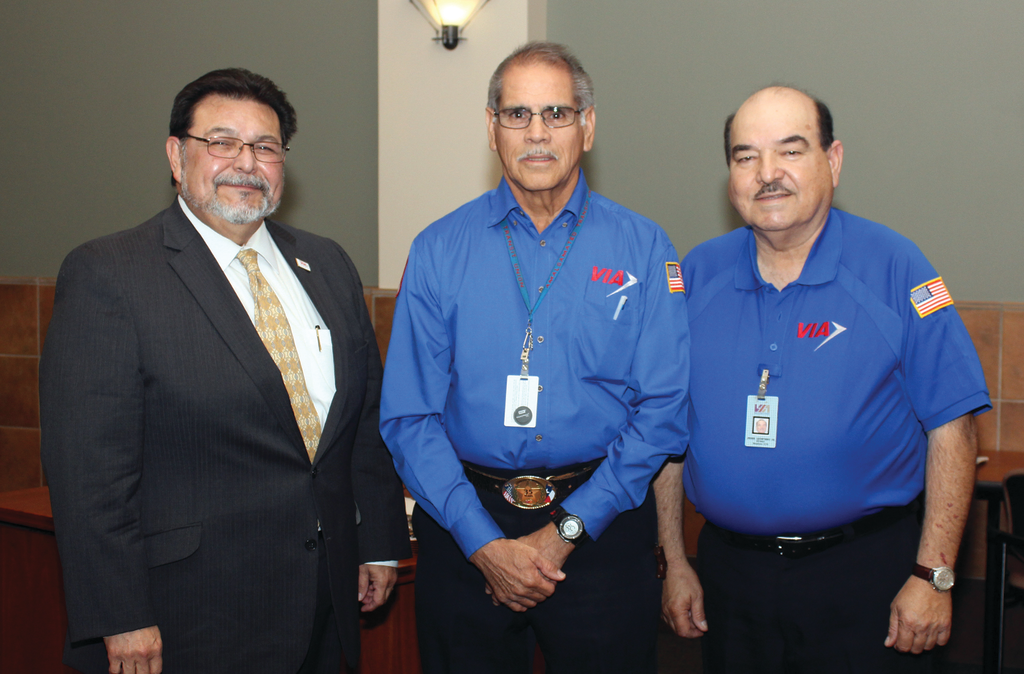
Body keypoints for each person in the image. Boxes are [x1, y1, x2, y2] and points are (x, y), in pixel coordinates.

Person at [40, 68, 410, 674]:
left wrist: (379, 543)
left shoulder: (327, 263)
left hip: (324, 600)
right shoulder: (110, 273)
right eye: (221, 142)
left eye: (265, 146)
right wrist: (119, 614)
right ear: (176, 155)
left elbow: (363, 420)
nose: (245, 162)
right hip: (188, 616)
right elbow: (88, 473)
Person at [656, 86, 991, 673]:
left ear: (832, 161)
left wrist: (934, 575)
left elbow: (954, 427)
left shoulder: (895, 267)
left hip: (865, 577)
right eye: (745, 156)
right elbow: (666, 431)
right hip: (731, 578)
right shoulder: (695, 275)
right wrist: (674, 560)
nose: (767, 173)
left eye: (790, 151)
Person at [380, 42, 690, 673]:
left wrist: (567, 531)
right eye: (517, 114)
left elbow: (663, 411)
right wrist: (482, 542)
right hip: (464, 527)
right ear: (491, 128)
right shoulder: (438, 250)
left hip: (604, 526)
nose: (538, 132)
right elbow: (409, 417)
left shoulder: (644, 247)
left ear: (588, 127)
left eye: (557, 113)